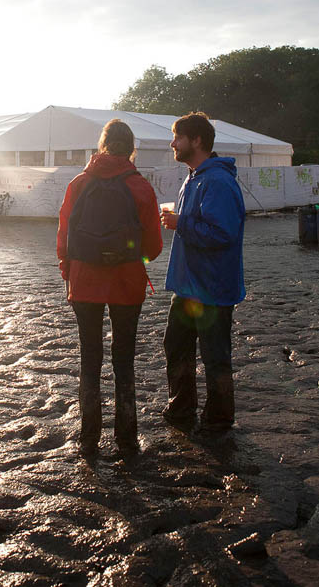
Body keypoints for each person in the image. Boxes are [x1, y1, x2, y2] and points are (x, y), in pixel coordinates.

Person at [57, 119, 163, 457]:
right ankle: (127, 438)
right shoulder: (141, 187)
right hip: (127, 283)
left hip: (85, 282)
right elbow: (154, 247)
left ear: (102, 145)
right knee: (124, 360)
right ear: (131, 148)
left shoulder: (78, 183)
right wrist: (135, 260)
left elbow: (63, 237)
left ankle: (88, 437)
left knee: (90, 359)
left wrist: (69, 270)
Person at [160, 112, 245, 432]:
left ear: (196, 141)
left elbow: (223, 233)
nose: (173, 143)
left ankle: (219, 419)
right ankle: (182, 407)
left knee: (215, 355)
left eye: (177, 137)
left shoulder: (217, 180)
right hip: (189, 284)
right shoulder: (194, 176)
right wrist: (181, 221)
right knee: (176, 343)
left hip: (212, 286)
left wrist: (181, 222)